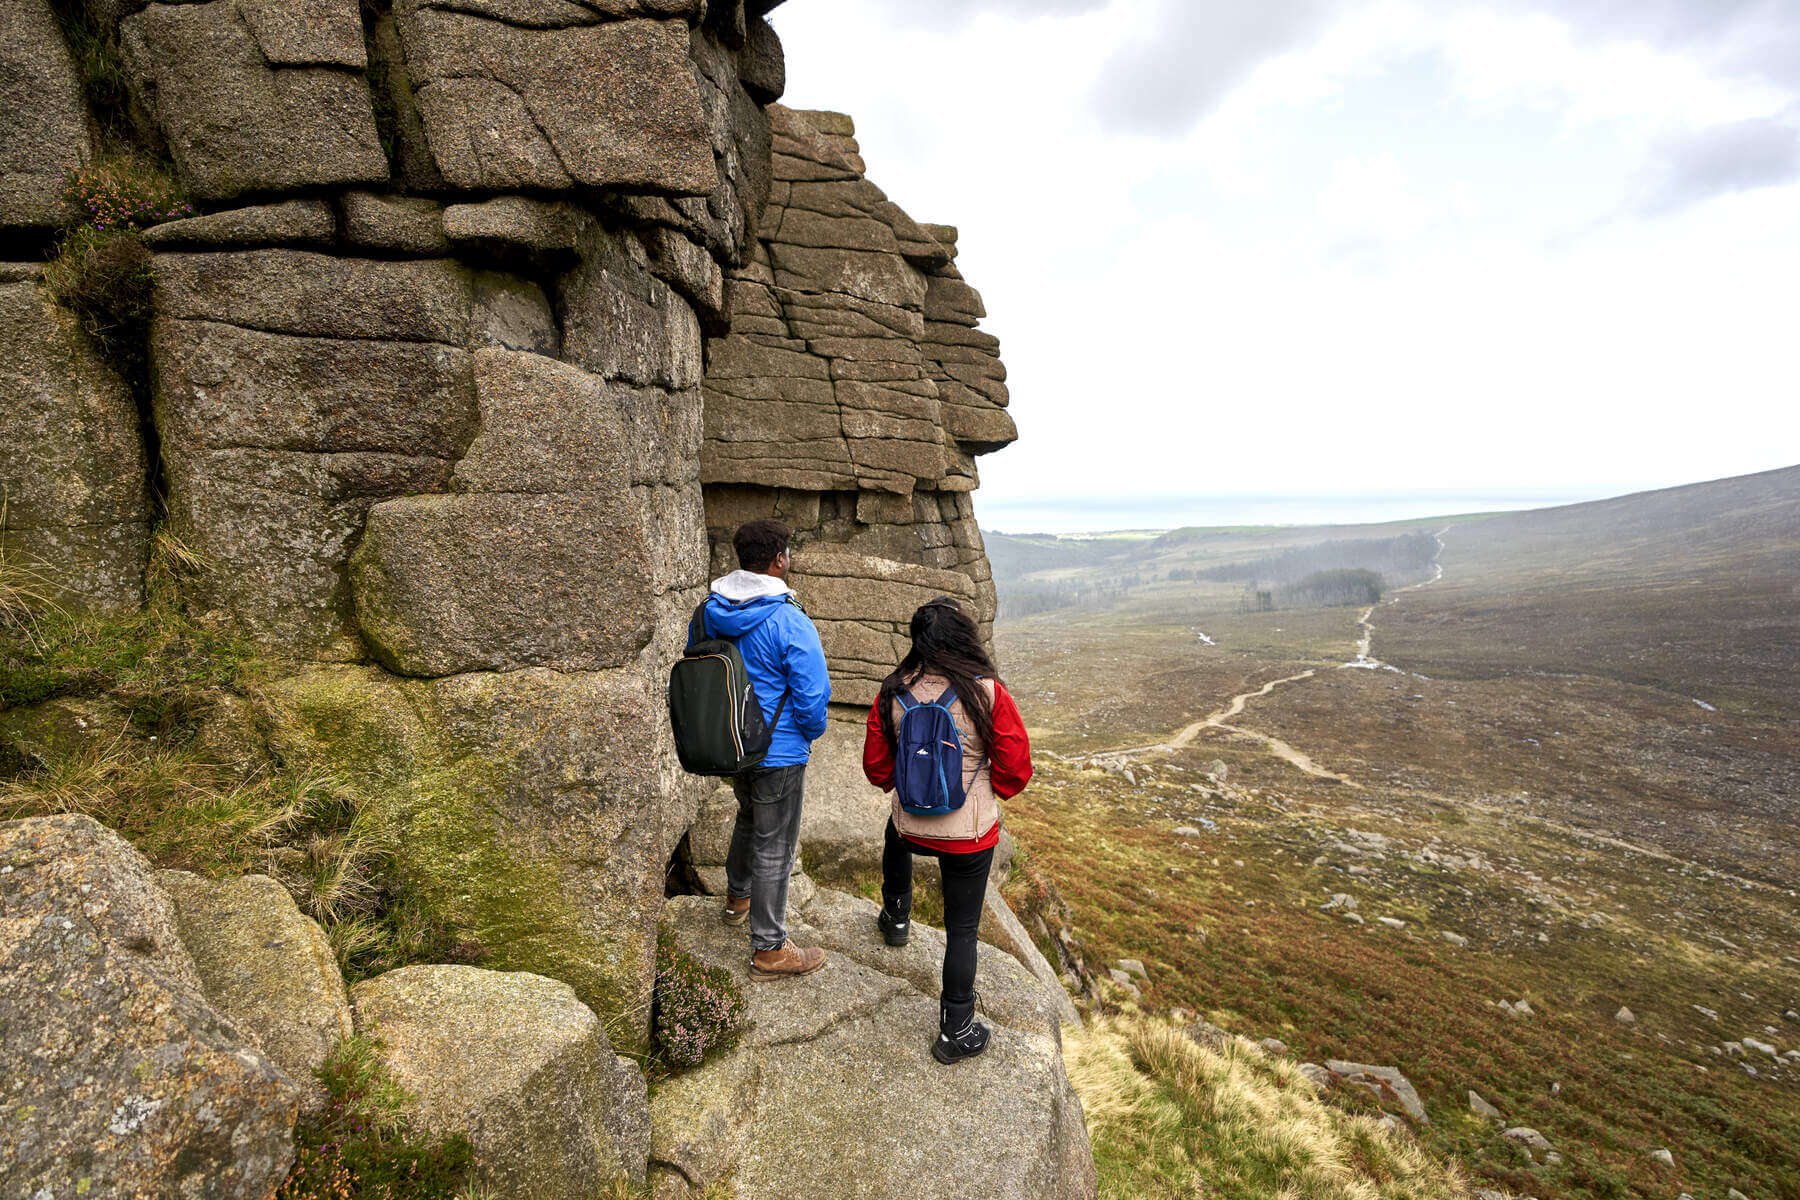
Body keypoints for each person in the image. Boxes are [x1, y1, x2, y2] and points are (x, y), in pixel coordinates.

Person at [861, 597, 1033, 1063]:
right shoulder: (987, 693)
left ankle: (896, 914)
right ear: (962, 637)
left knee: (895, 832)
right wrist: (980, 791)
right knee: (962, 931)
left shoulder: (893, 689)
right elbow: (1017, 771)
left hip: (913, 826)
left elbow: (876, 769)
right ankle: (955, 1029)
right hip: (969, 838)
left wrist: (912, 790)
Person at [698, 519, 832, 979]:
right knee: (776, 845)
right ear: (779, 560)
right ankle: (770, 949)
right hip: (778, 750)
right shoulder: (788, 618)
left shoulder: (711, 610)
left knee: (749, 818)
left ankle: (738, 899)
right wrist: (808, 734)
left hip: (732, 743)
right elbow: (813, 696)